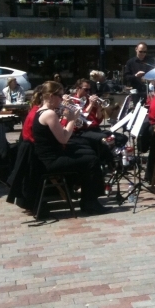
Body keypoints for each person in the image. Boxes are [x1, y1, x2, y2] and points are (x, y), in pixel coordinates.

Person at [30, 81, 109, 214]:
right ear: (51, 96)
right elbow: (64, 139)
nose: (62, 99)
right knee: (91, 161)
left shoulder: (43, 111)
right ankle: (89, 202)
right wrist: (72, 119)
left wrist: (65, 116)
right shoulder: (49, 114)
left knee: (89, 152)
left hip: (51, 154)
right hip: (51, 159)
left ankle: (88, 198)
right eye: (60, 96)